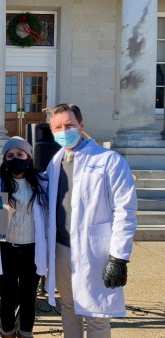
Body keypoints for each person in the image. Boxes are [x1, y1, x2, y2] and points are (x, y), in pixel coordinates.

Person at [45, 103, 137, 338]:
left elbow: (125, 210)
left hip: (95, 252)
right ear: (51, 130)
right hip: (61, 249)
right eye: (58, 127)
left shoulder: (110, 161)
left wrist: (119, 257)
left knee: (97, 315)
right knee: (68, 307)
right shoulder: (54, 163)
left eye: (69, 125)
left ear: (81, 126)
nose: (64, 131)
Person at [0, 136, 48, 338]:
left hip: (32, 248)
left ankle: (25, 333)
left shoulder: (42, 182)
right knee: (7, 295)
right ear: (5, 160)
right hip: (6, 248)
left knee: (28, 296)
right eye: (10, 155)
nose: (16, 158)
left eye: (20, 154)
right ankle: (6, 332)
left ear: (29, 157)